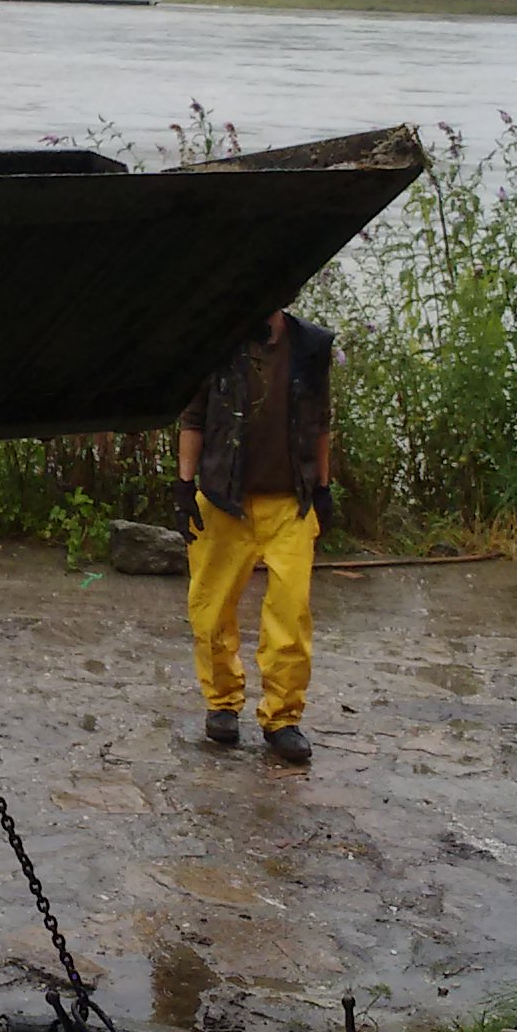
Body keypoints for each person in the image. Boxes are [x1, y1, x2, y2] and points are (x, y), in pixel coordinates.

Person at [177, 306, 337, 766]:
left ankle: (283, 717)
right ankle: (222, 704)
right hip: (224, 499)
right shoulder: (218, 343)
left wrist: (323, 488)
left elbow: (321, 421)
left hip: (291, 501)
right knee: (210, 610)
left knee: (291, 611)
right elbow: (193, 417)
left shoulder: (310, 346)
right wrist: (184, 485)